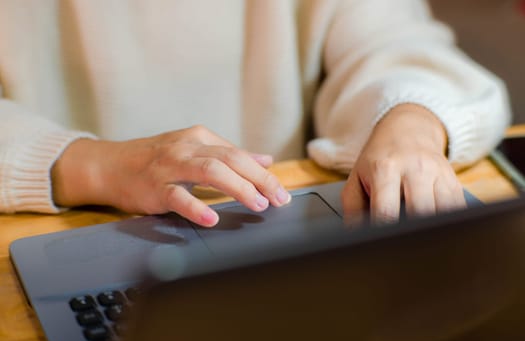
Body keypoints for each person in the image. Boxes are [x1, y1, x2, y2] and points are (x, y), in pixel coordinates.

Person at [0, 0, 511, 227]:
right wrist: (89, 163)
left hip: (275, 234)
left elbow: (397, 40)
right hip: (66, 225)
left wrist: (411, 121)